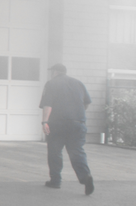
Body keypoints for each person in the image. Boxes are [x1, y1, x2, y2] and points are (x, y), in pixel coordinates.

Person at [39, 62, 94, 195]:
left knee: (55, 152)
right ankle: (85, 177)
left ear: (55, 72)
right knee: (77, 152)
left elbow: (48, 104)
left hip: (58, 124)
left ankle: (56, 181)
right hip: (78, 123)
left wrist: (45, 121)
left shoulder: (51, 84)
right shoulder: (78, 83)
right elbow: (87, 103)